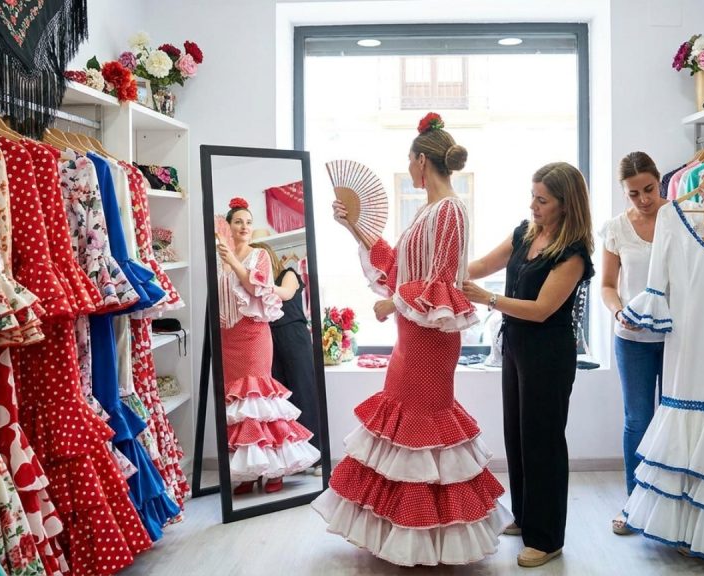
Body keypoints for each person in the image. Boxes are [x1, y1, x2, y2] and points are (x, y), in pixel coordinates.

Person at [312, 112, 511, 567]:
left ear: (422, 161)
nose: (410, 166)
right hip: (413, 334)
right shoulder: (428, 211)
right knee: (403, 425)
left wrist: (392, 303)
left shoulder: (450, 211)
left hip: (430, 338)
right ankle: (403, 531)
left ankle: (425, 535)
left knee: (420, 426)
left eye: (410, 160)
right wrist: (354, 226)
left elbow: (440, 282)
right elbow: (400, 267)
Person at [463, 161, 594, 568]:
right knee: (517, 436)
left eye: (543, 200)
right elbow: (482, 265)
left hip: (549, 354)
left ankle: (548, 537)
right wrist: (440, 271)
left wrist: (486, 299)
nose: (533, 205)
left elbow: (540, 310)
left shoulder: (573, 254)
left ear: (565, 204)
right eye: (532, 197)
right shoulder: (525, 232)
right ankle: (525, 516)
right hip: (516, 348)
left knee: (544, 442)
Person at [602, 152, 704, 539]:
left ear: (660, 181)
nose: (643, 199)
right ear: (624, 193)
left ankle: (675, 505)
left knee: (679, 415)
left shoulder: (683, 216)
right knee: (638, 419)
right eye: (633, 193)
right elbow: (606, 284)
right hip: (634, 337)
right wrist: (618, 311)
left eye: (649, 189)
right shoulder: (616, 229)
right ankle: (634, 503)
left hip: (680, 336)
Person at [215, 199, 320, 495]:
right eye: (238, 221)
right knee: (238, 406)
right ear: (229, 226)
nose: (245, 227)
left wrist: (233, 262)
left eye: (248, 222)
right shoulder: (218, 260)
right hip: (228, 336)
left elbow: (252, 287)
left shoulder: (259, 256)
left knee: (258, 400)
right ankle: (249, 469)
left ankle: (274, 468)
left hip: (254, 334)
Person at [254, 242, 323, 474]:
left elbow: (286, 293)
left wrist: (254, 282)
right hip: (268, 337)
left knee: (304, 391)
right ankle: (296, 457)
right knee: (282, 401)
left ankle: (318, 455)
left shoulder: (288, 274)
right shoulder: (254, 287)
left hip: (294, 334)